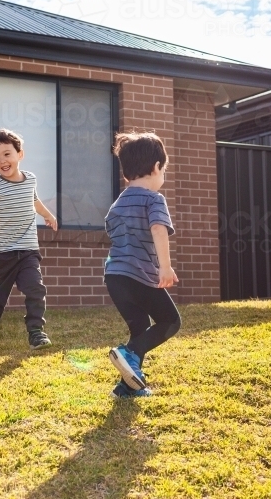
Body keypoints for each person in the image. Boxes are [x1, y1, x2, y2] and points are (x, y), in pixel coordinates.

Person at [104, 131, 181, 398]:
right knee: (170, 321)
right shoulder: (153, 199)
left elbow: (114, 234)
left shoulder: (116, 205)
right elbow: (158, 230)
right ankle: (129, 353)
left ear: (127, 174)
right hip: (139, 276)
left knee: (139, 330)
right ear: (157, 167)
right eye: (164, 170)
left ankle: (128, 386)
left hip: (115, 277)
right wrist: (165, 266)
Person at [0, 129, 58, 353]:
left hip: (28, 250)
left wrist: (47, 215)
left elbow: (34, 200)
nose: (2, 161)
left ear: (20, 154)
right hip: (1, 254)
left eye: (7, 154)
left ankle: (36, 332)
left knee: (35, 289)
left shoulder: (30, 179)